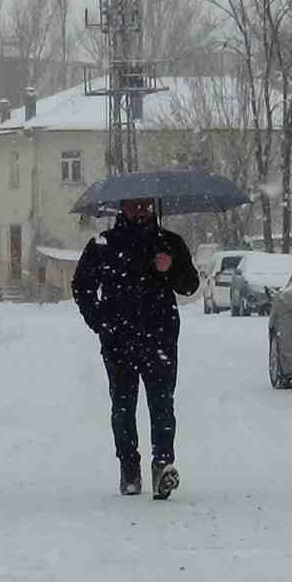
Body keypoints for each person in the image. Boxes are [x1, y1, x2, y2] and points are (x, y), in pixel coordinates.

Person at [72, 198, 199, 499]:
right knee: (123, 407)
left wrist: (170, 268)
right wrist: (101, 322)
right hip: (119, 341)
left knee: (162, 405)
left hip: (160, 338)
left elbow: (190, 285)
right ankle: (129, 467)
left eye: (146, 205)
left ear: (155, 206)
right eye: (133, 205)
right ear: (122, 207)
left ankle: (162, 466)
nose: (140, 211)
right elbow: (82, 286)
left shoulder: (169, 243)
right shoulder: (104, 244)